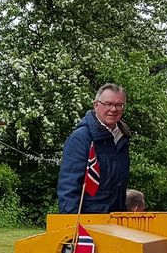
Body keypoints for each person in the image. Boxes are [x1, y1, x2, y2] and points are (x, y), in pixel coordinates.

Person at [57, 83, 132, 214]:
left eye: (119, 105)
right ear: (96, 105)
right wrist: (72, 226)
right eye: (108, 104)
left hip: (115, 221)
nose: (113, 109)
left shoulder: (122, 138)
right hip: (88, 222)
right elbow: (69, 187)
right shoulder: (80, 138)